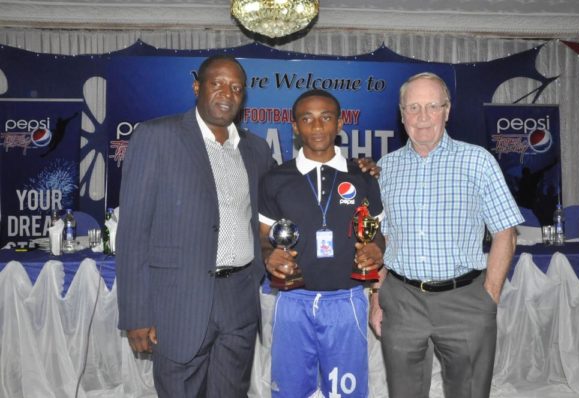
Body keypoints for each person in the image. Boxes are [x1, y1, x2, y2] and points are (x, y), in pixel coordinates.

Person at [116, 55, 275, 397]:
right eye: (217, 82)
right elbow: (132, 233)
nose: (226, 93)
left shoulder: (256, 149)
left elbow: (281, 197)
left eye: (236, 87)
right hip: (179, 300)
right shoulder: (156, 136)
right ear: (197, 86)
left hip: (239, 300)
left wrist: (356, 170)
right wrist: (135, 314)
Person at [370, 72, 524, 397]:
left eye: (432, 106)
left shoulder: (478, 161)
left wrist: (489, 297)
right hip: (401, 300)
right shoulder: (385, 168)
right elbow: (379, 242)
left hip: (466, 300)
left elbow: (506, 233)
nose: (422, 117)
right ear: (402, 114)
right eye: (413, 108)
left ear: (447, 111)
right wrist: (376, 298)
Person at [259, 89, 385, 397]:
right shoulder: (275, 178)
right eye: (307, 118)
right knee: (289, 391)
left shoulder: (362, 176)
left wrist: (377, 248)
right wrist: (269, 256)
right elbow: (266, 238)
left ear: (340, 123)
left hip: (347, 300)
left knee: (346, 392)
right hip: (293, 301)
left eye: (326, 117)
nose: (317, 127)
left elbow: (377, 232)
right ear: (295, 126)